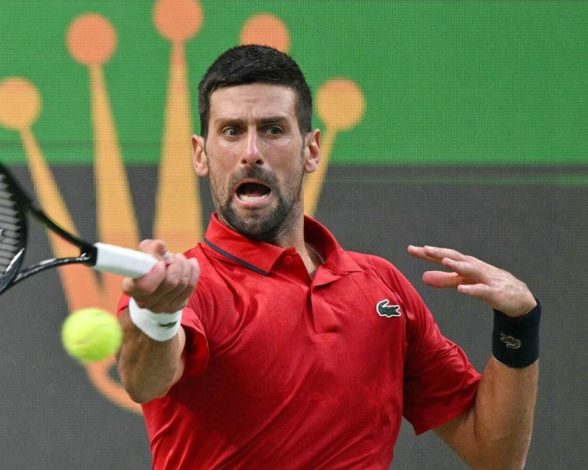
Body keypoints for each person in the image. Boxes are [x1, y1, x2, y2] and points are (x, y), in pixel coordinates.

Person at [116, 45, 540, 469]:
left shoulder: (382, 286)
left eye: (273, 129)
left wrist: (519, 324)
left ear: (311, 149)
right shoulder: (181, 290)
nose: (251, 152)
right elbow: (144, 382)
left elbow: (494, 454)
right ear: (200, 154)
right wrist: (158, 315)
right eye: (231, 131)